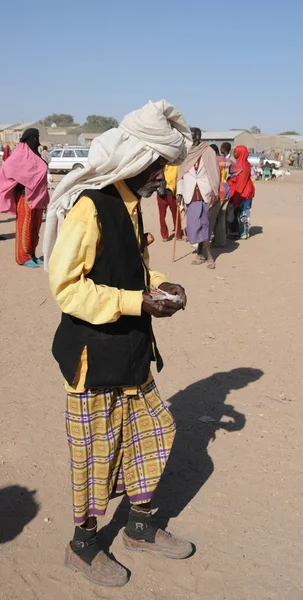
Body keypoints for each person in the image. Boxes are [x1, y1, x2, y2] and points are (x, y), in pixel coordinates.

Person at [45, 100, 193, 588]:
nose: (162, 178)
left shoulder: (131, 207)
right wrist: (137, 303)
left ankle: (140, 528)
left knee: (154, 430)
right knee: (96, 452)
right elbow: (66, 288)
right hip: (94, 356)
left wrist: (165, 287)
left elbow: (134, 270)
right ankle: (83, 548)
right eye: (159, 167)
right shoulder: (92, 207)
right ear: (137, 159)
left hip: (130, 350)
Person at [0, 128, 49, 267]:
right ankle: (23, 257)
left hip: (38, 196)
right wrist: (22, 181)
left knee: (35, 226)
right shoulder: (19, 154)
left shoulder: (35, 154)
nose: (36, 140)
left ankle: (32, 254)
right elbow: (8, 168)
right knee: (25, 226)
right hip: (25, 196)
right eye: (34, 138)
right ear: (28, 139)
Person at [176, 128, 220, 269]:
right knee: (194, 225)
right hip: (190, 193)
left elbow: (214, 173)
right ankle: (200, 253)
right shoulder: (185, 152)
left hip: (205, 193)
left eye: (194, 138)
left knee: (204, 224)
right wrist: (179, 193)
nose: (191, 140)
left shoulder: (208, 151)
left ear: (198, 137)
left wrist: (214, 190)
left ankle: (208, 256)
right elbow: (181, 175)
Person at [209, 144, 241, 247]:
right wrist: (228, 177)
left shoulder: (214, 161)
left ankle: (205, 242)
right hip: (227, 190)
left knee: (211, 218)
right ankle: (221, 241)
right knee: (222, 218)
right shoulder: (227, 160)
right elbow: (239, 170)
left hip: (217, 191)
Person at [229, 146, 255, 240]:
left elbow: (240, 183)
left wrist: (235, 197)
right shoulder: (246, 164)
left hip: (242, 193)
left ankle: (240, 232)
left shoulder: (240, 166)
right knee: (245, 213)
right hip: (249, 191)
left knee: (240, 213)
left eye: (235, 152)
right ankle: (245, 232)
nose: (234, 154)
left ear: (240, 153)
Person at [156, 164, 182, 241]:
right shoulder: (159, 165)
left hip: (171, 192)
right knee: (162, 216)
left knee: (175, 214)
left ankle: (178, 234)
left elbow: (178, 179)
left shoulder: (175, 166)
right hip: (161, 192)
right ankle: (164, 235)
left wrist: (178, 193)